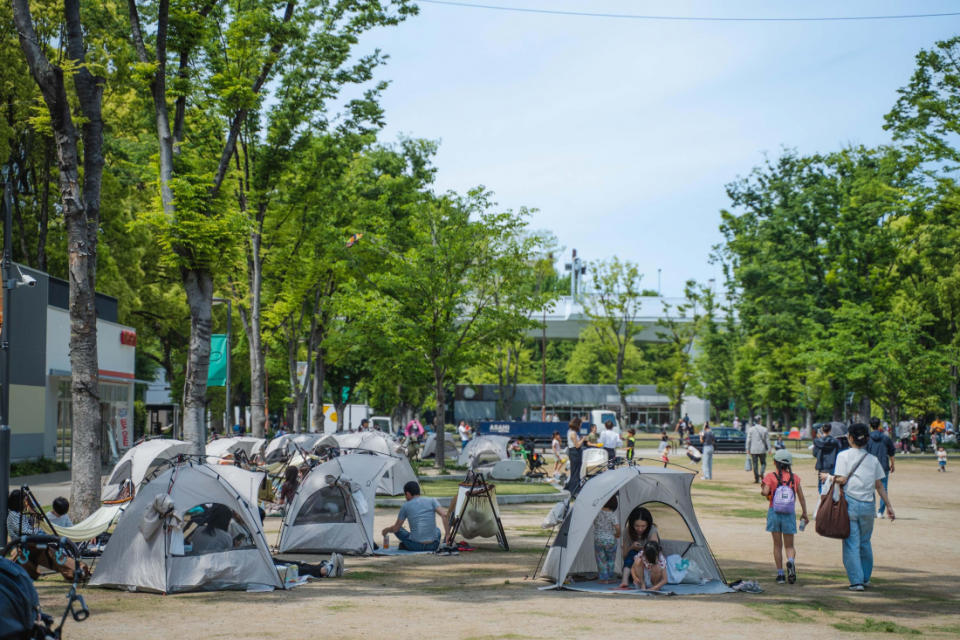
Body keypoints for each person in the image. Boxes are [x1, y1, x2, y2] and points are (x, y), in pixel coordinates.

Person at [832, 423, 895, 591]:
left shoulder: (843, 456)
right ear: (866, 439)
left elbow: (840, 479)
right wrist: (888, 506)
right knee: (865, 542)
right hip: (868, 505)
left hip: (850, 503)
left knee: (851, 543)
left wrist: (829, 478)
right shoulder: (872, 460)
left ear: (850, 438)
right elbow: (879, 485)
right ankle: (865, 577)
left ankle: (856, 580)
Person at [6, 490, 90, 582]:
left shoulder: (20, 514)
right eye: (24, 501)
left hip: (31, 543)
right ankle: (78, 569)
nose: (26, 503)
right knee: (51, 554)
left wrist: (33, 513)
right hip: (24, 545)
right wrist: (46, 531)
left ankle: (77, 569)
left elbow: (31, 527)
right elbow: (26, 531)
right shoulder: (14, 515)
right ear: (19, 502)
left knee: (53, 555)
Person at [761, 450, 808, 585]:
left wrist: (764, 488)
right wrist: (804, 513)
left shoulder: (771, 476)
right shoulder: (795, 478)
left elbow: (765, 492)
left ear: (775, 462)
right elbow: (801, 497)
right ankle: (791, 562)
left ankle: (780, 574)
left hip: (774, 512)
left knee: (777, 545)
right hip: (789, 513)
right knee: (789, 545)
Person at [382, 481, 450, 551]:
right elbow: (444, 515)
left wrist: (387, 530)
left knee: (398, 529)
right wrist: (448, 534)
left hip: (415, 546)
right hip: (433, 546)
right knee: (437, 529)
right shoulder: (432, 500)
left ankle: (407, 544)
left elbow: (396, 529)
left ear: (408, 494)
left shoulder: (405, 506)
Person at [618, 506, 660, 588]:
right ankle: (624, 580)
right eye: (637, 526)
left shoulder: (652, 530)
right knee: (632, 553)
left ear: (648, 524)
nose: (640, 529)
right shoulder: (627, 531)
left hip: (648, 566)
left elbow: (654, 553)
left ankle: (644, 582)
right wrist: (632, 547)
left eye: (643, 526)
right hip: (633, 569)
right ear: (631, 524)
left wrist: (643, 549)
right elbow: (624, 557)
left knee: (640, 557)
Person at [866, 417, 896, 519]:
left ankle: (873, 511)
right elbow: (891, 452)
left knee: (870, 489)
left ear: (870, 426)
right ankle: (880, 512)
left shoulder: (867, 438)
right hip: (883, 465)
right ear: (879, 425)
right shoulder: (886, 438)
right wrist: (892, 464)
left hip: (870, 466)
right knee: (884, 488)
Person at [593, 495, 621, 583]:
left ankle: (603, 578)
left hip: (598, 539)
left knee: (601, 560)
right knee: (611, 559)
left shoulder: (596, 513)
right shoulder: (612, 515)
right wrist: (617, 534)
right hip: (610, 540)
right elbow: (617, 527)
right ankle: (610, 577)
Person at [813, 423, 841, 492]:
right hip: (832, 465)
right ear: (830, 430)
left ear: (822, 430)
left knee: (821, 484)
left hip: (822, 465)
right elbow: (838, 452)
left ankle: (822, 499)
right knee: (832, 484)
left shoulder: (817, 441)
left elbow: (814, 453)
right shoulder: (836, 441)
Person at [746, 416, 770, 484]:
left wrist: (748, 449)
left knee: (755, 464)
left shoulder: (751, 429)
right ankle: (761, 472)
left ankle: (756, 478)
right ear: (760, 421)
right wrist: (769, 449)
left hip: (753, 450)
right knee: (763, 463)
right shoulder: (764, 429)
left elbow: (748, 440)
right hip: (762, 449)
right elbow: (767, 440)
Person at [564, 418, 584, 494]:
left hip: (573, 452)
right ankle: (574, 489)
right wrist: (583, 439)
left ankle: (571, 487)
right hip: (575, 453)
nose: (580, 426)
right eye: (580, 425)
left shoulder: (569, 431)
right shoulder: (573, 433)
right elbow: (577, 445)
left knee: (574, 471)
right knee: (576, 472)